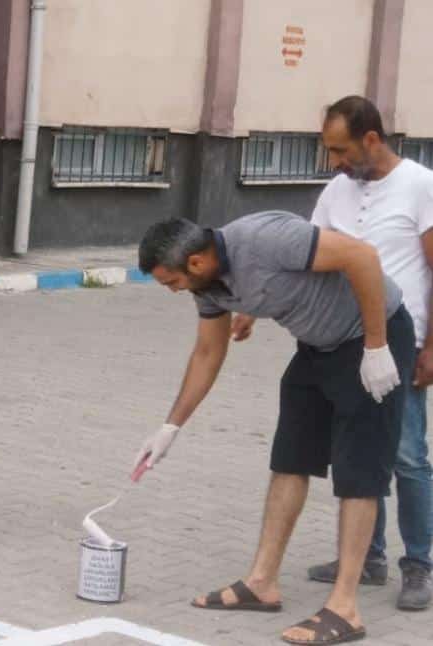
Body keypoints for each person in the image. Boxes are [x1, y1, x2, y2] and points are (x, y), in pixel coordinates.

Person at [135, 212, 413, 644]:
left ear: (194, 263)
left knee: (359, 473)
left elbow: (362, 256)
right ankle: (262, 583)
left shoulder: (267, 238)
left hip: (372, 334)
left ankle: (345, 606)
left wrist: (377, 346)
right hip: (318, 345)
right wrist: (170, 427)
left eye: (171, 282)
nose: (174, 291)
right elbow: (208, 353)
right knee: (289, 457)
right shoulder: (210, 287)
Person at [232, 96, 433, 611]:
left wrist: (431, 346)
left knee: (406, 455)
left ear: (371, 139)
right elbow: (306, 250)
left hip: (399, 338)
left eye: (340, 150)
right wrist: (252, 306)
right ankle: (370, 560)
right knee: (363, 453)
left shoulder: (420, 185)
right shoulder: (337, 190)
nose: (334, 162)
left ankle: (420, 566)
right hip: (342, 342)